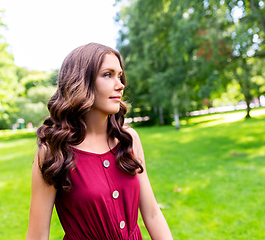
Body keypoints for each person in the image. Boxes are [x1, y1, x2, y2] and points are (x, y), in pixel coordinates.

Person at [26, 43, 173, 240]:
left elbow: (153, 214)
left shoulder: (128, 139)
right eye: (107, 74)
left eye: (119, 75)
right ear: (81, 83)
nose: (120, 84)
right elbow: (37, 236)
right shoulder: (54, 151)